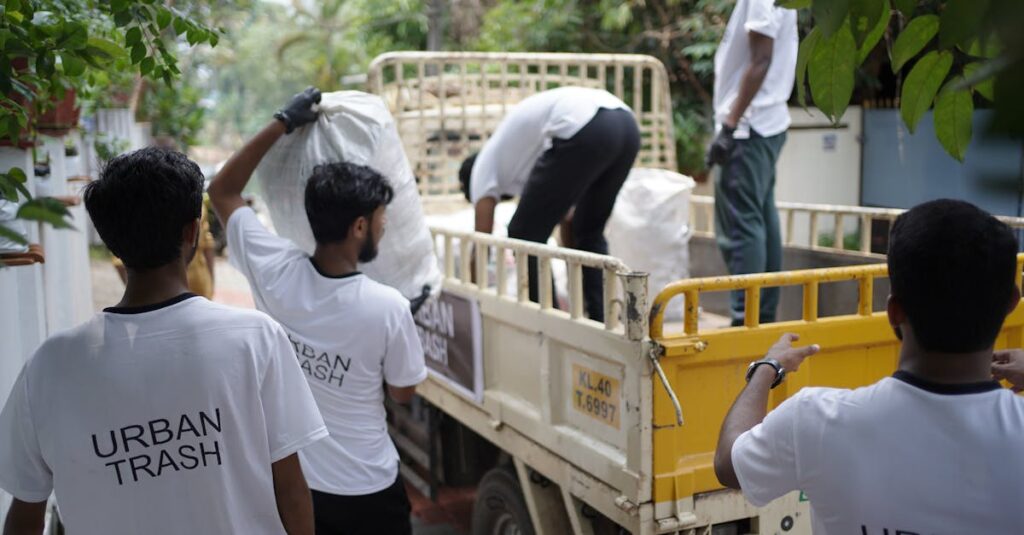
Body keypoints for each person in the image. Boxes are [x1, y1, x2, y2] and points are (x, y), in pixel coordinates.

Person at [0, 148, 327, 535]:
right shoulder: (255, 339)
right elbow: (290, 491)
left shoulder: (49, 365)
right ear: (191, 232)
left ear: (110, 241)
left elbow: (25, 511)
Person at [713, 199, 1024, 533]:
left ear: (893, 312)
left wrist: (768, 367)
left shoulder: (816, 420)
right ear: (1012, 302)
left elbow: (729, 463)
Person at [209, 88, 427, 535]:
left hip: (298, 490)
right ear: (360, 226)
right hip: (370, 489)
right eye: (382, 220)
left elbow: (223, 190)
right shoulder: (388, 307)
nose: (385, 230)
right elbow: (403, 394)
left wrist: (282, 121)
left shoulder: (274, 272)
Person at [458, 86, 640, 322]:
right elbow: (567, 220)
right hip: (625, 125)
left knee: (523, 235)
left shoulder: (483, 169)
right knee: (587, 231)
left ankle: (548, 322)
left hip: (587, 126)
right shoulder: (520, 159)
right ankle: (603, 322)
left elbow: (481, 244)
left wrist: (475, 303)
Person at [706, 0, 797, 326]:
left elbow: (761, 58)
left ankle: (746, 320)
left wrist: (729, 125)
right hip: (766, 124)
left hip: (748, 127)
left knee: (740, 226)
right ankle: (762, 317)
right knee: (760, 217)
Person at [112, 194, 216, 298]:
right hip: (157, 297)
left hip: (200, 288)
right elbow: (120, 260)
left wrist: (211, 284)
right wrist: (139, 297)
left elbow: (207, 243)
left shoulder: (195, 202)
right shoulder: (138, 205)